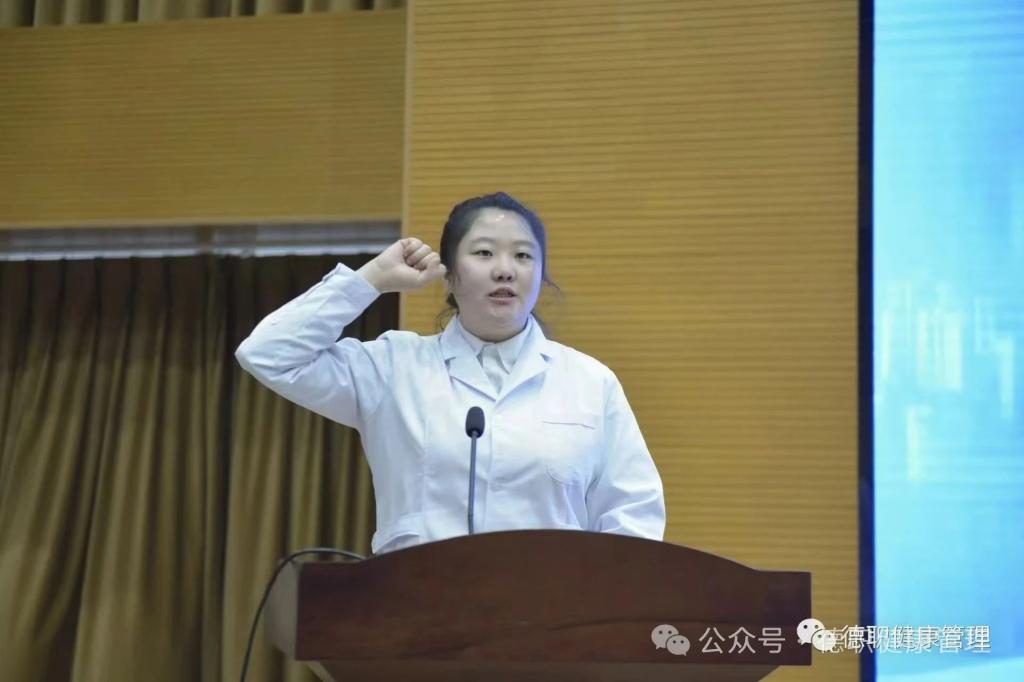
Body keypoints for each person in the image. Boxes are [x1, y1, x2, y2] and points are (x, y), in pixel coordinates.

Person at [235, 192, 665, 554]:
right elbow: (269, 353)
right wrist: (372, 278)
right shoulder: (394, 367)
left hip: (554, 614)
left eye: (523, 255)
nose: (505, 269)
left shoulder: (589, 382)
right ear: (450, 276)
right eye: (484, 253)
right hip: (419, 609)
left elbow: (633, 515)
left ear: (539, 276)